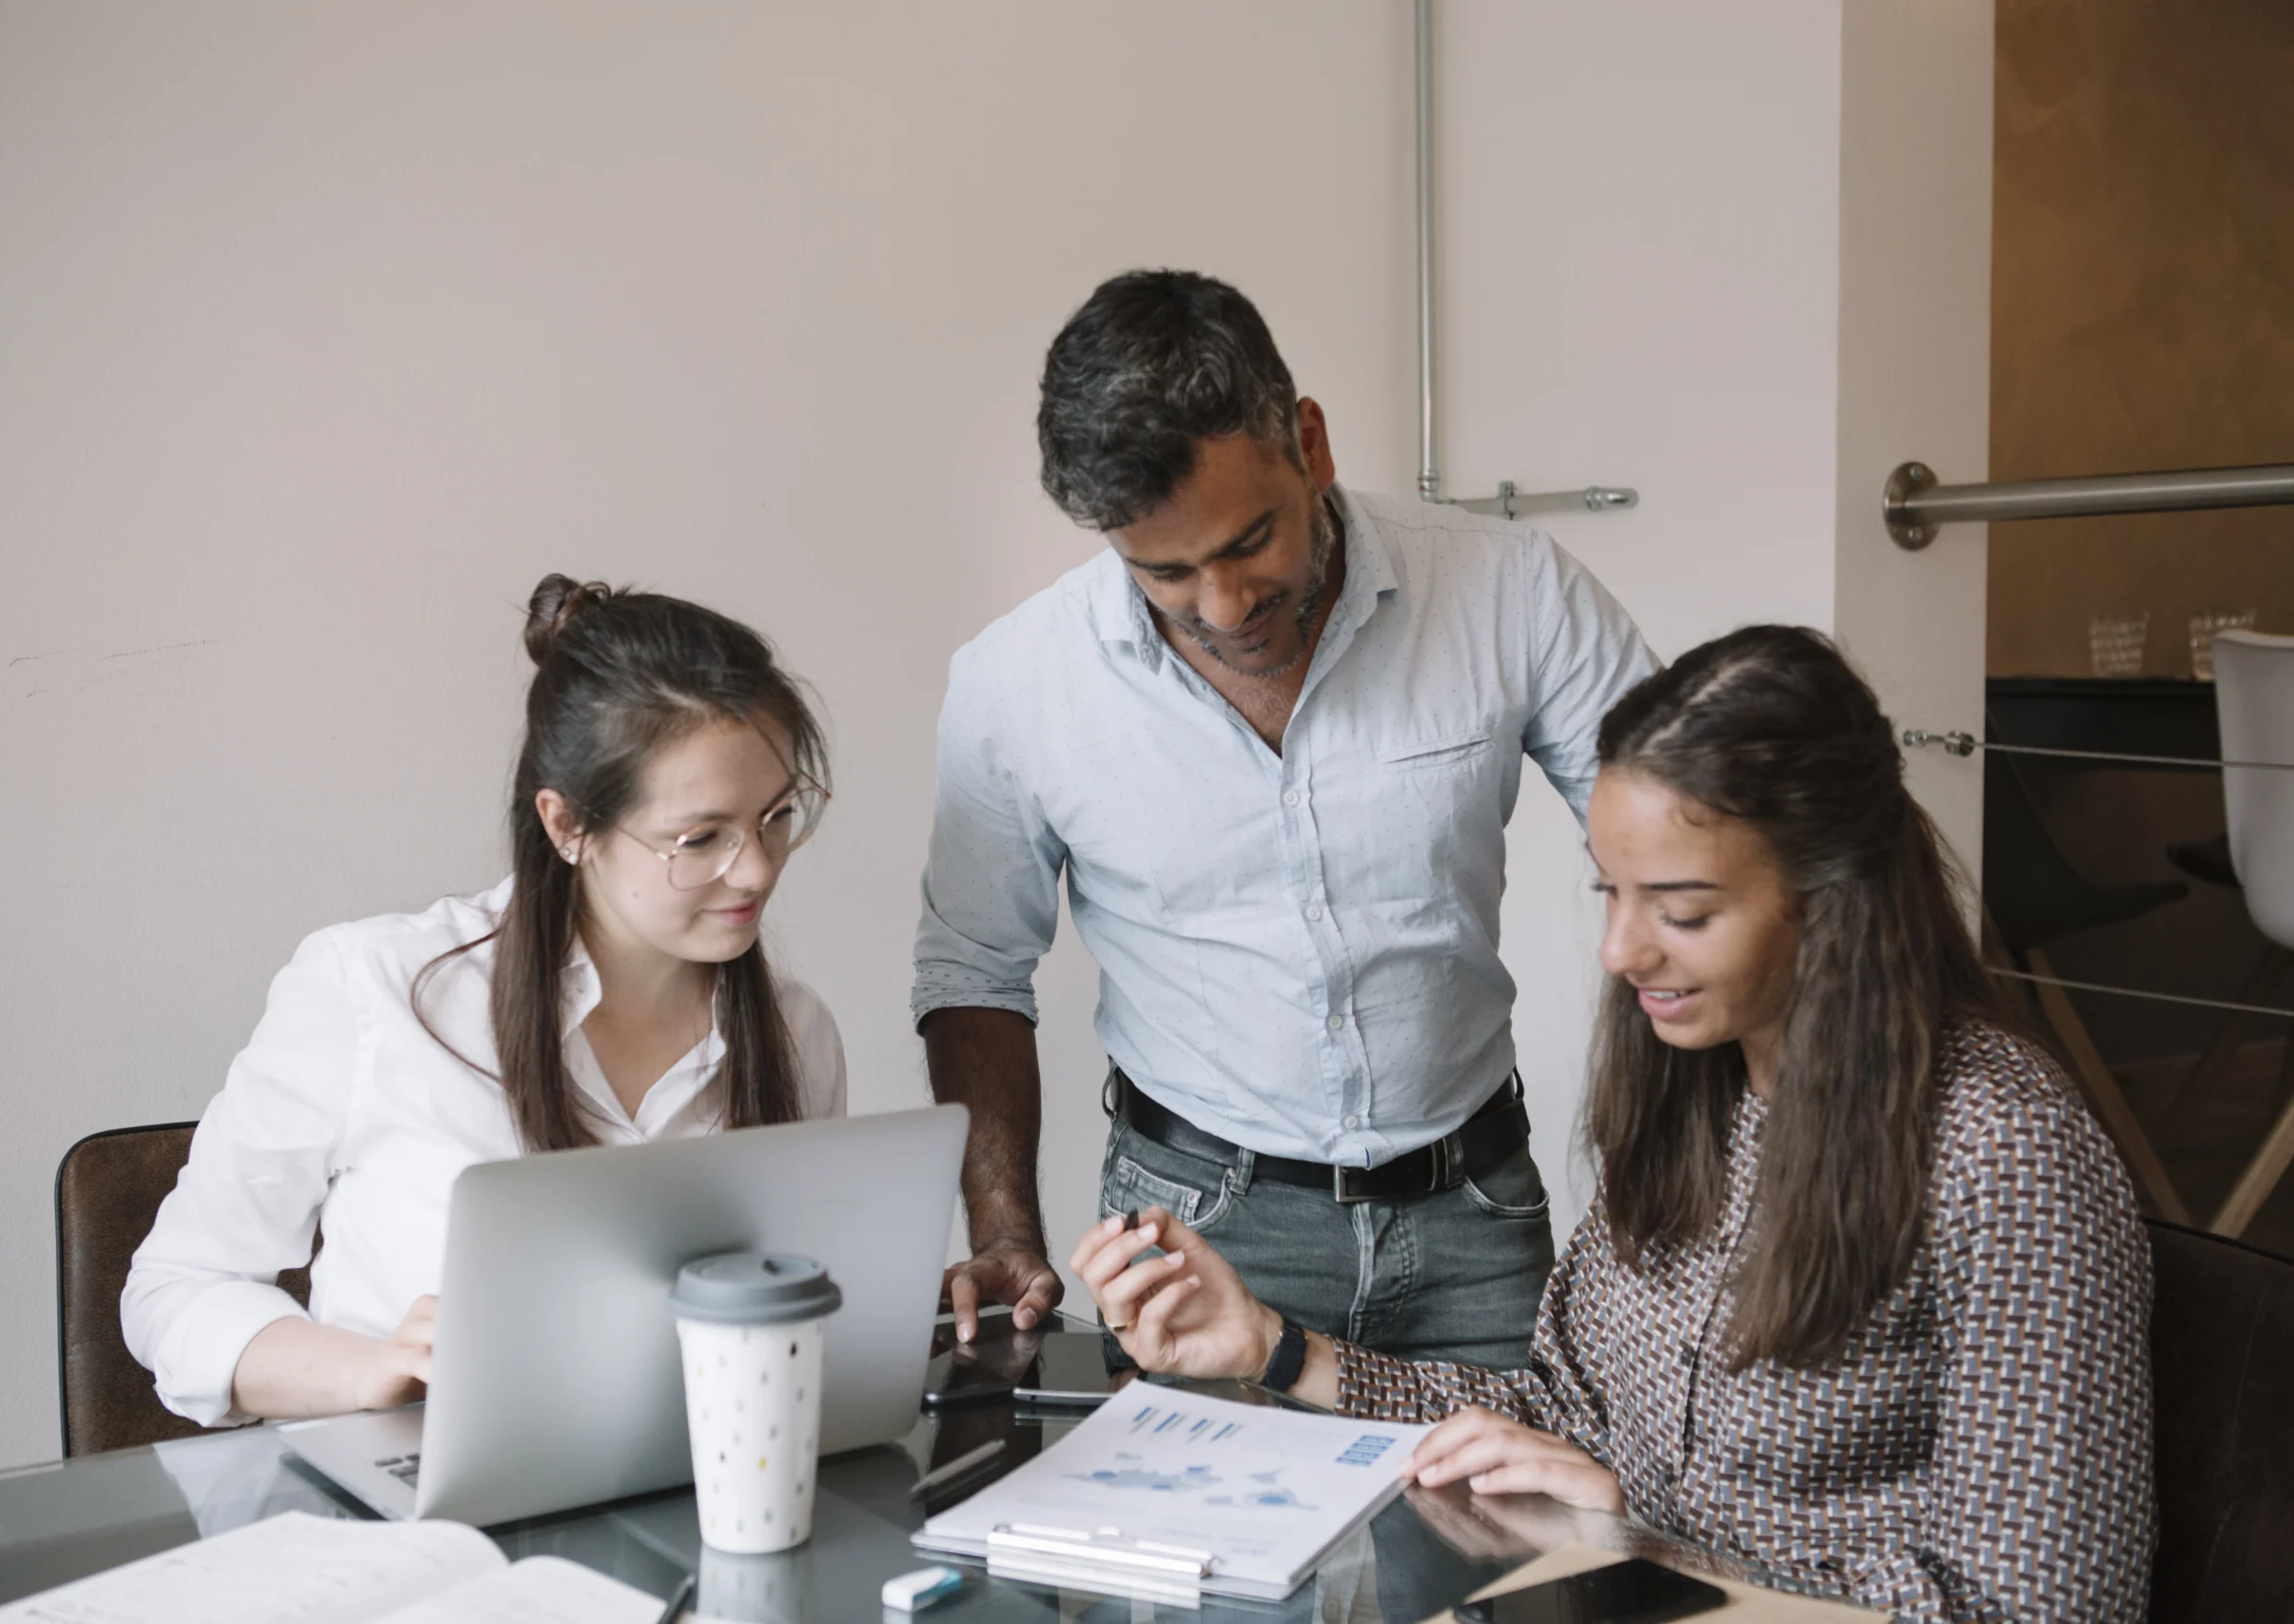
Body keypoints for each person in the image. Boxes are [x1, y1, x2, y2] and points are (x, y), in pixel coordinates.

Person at [1070, 625, 2155, 1622]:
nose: (1621, 953)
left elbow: (2043, 1606)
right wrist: (1268, 1346)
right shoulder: (1698, 1092)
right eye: (1611, 895)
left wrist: (1651, 1553)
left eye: (1681, 912)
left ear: (1834, 894)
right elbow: (1558, 1412)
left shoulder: (2005, 1152)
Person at [914, 268, 1657, 1365]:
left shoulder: (1510, 592)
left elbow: (1694, 839)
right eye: (1164, 572)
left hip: (1475, 1217)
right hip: (1195, 1231)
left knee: (1521, 1540)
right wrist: (1005, 1232)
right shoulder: (1016, 685)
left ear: (1309, 442)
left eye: (1250, 541)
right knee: (1206, 1544)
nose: (1224, 605)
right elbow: (972, 973)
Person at [125, 577, 845, 1425]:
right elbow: (175, 1289)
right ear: (568, 825)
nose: (757, 868)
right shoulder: (371, 988)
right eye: (702, 839)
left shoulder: (797, 1033)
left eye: (776, 816)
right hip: (409, 1521)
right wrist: (371, 1369)